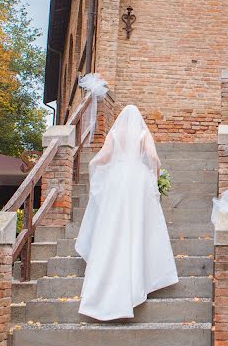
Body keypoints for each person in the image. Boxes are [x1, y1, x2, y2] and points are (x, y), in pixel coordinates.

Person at [75, 104, 178, 321]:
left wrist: (92, 165)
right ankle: (136, 280)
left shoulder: (114, 133)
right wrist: (156, 176)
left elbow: (103, 158)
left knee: (113, 224)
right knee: (137, 225)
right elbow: (154, 158)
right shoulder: (143, 133)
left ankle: (101, 292)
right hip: (137, 181)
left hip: (116, 180)